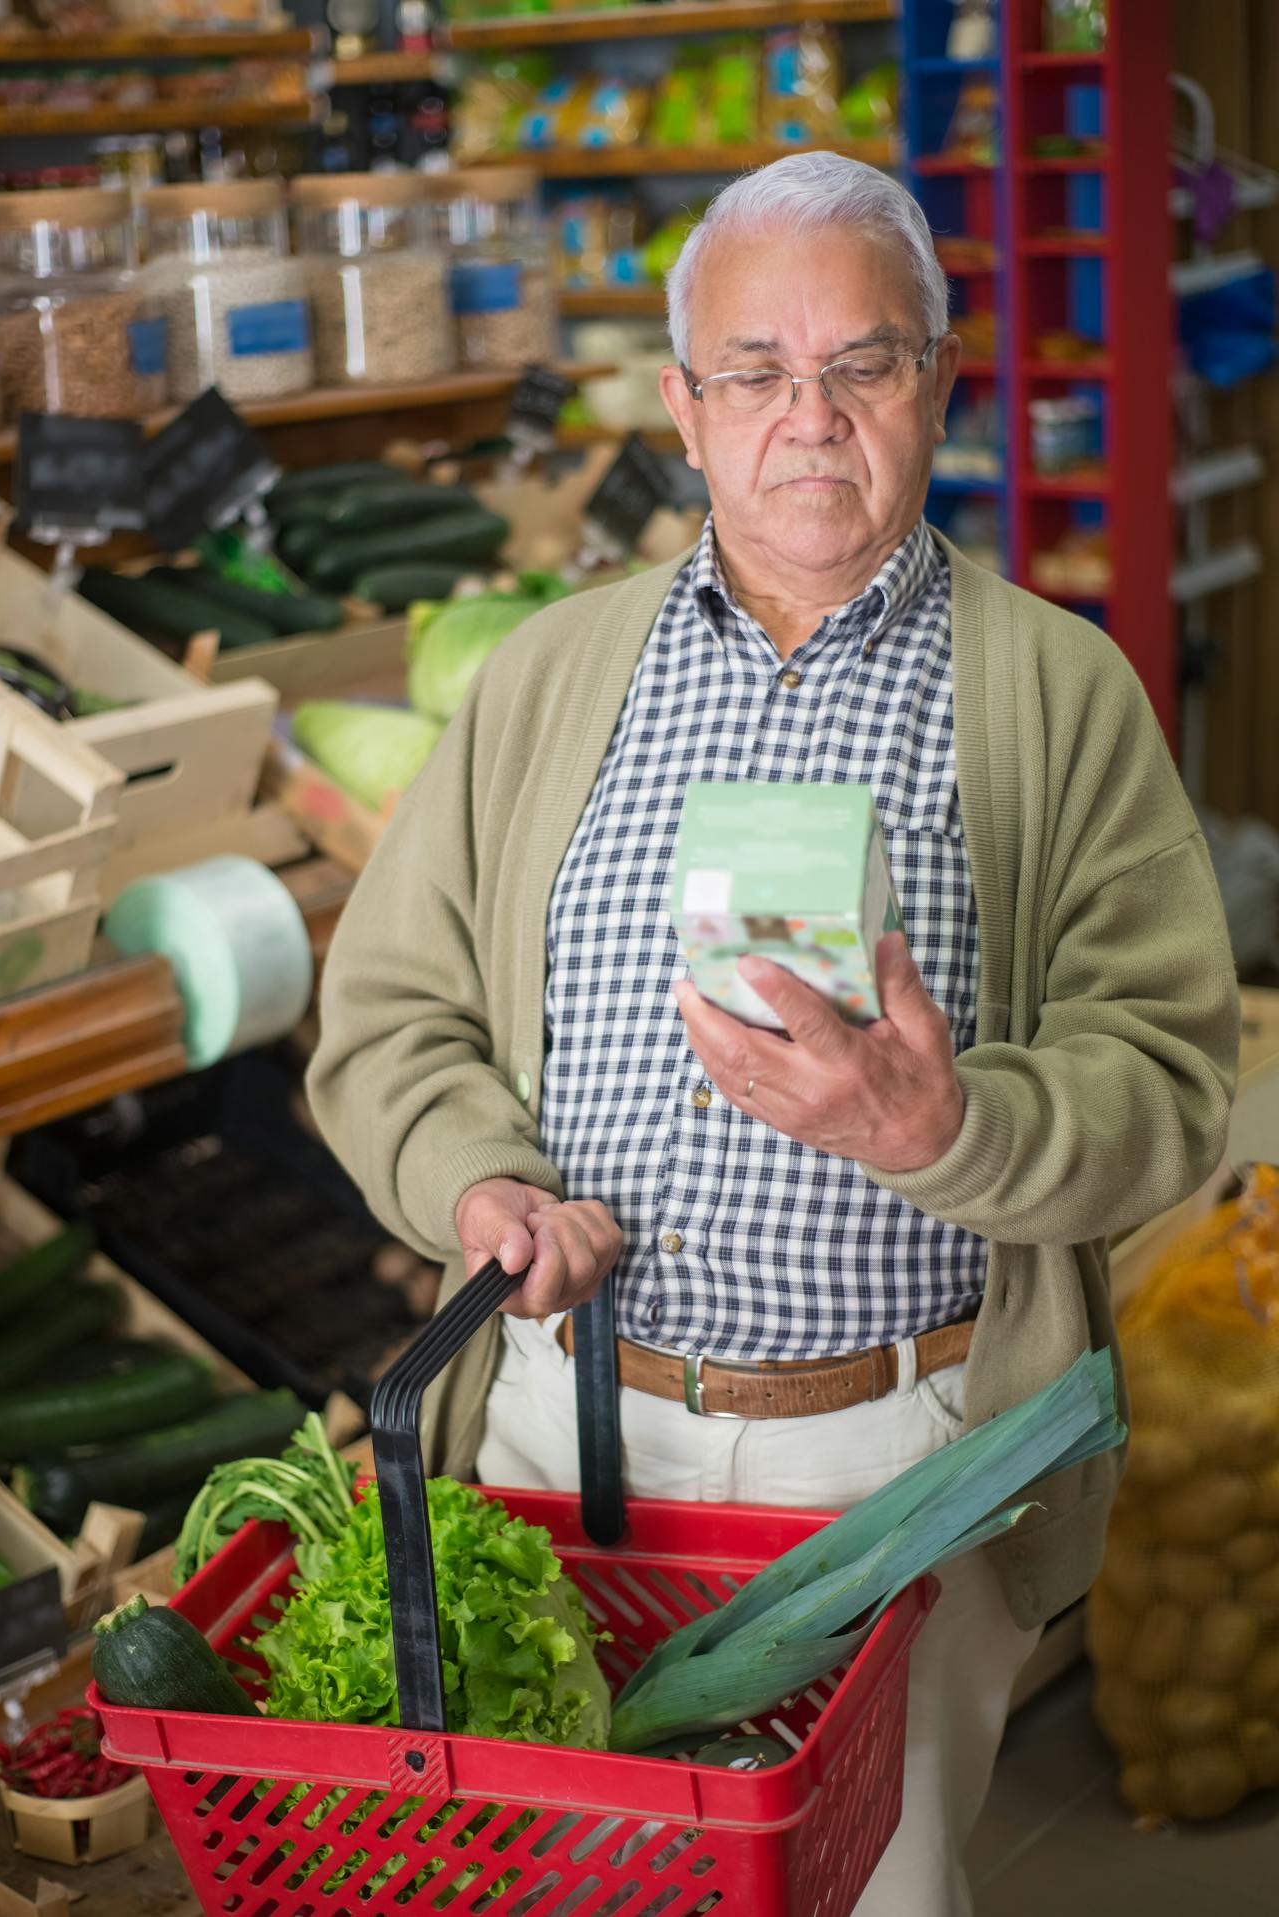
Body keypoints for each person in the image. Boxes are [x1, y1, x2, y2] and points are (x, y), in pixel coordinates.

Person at [308, 151, 1238, 1914]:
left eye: (861, 363)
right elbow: (386, 1015)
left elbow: (1174, 1081)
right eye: (755, 371)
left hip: (904, 1463)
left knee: (883, 1891)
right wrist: (481, 1184)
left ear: (938, 380)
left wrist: (940, 1127)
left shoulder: (1057, 690)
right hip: (565, 1446)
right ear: (684, 407)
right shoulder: (545, 678)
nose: (806, 418)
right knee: (558, 1891)